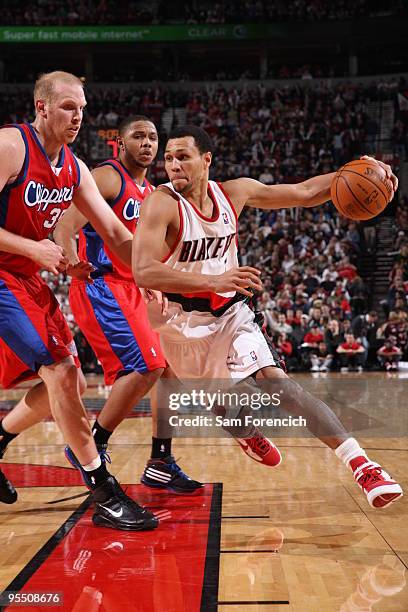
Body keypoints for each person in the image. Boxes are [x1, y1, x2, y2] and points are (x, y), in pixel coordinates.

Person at [133, 125, 403, 509]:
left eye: (183, 156)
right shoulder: (161, 203)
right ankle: (245, 432)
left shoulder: (235, 192)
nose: (174, 164)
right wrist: (214, 279)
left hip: (231, 314)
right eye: (170, 158)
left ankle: (362, 465)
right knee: (225, 408)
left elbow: (306, 191)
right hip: (180, 326)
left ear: (206, 160)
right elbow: (142, 270)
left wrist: (363, 168)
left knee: (277, 382)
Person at [0, 71, 158, 531]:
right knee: (62, 372)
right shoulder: (11, 146)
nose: (78, 117)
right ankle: (103, 490)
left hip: (25, 279)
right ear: (42, 106)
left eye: (83, 108)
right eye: (69, 106)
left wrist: (149, 274)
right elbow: (33, 242)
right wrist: (33, 248)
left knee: (67, 389)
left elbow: (114, 232)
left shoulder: (74, 167)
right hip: (5, 275)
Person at [53, 115, 202, 493]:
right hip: (100, 283)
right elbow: (65, 225)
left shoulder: (151, 191)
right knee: (147, 365)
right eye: (139, 136)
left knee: (169, 371)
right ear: (120, 143)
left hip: (133, 287)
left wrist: (155, 285)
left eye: (153, 137)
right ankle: (93, 443)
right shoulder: (107, 176)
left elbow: (142, 255)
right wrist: (71, 263)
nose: (148, 143)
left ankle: (160, 461)